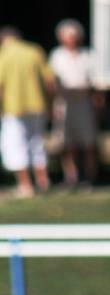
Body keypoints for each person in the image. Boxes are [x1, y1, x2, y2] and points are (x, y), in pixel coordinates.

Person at [0, 27, 55, 197]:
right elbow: (49, 80)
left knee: (15, 145)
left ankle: (26, 186)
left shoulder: (4, 55)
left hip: (13, 107)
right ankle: (43, 181)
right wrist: (50, 103)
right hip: (38, 104)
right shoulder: (34, 51)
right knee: (37, 143)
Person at [49, 19, 99, 188]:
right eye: (67, 36)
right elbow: (53, 81)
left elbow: (96, 82)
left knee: (88, 142)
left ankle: (90, 178)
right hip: (64, 102)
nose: (71, 39)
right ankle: (71, 177)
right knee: (67, 143)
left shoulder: (88, 55)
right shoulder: (57, 56)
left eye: (73, 36)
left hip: (84, 102)